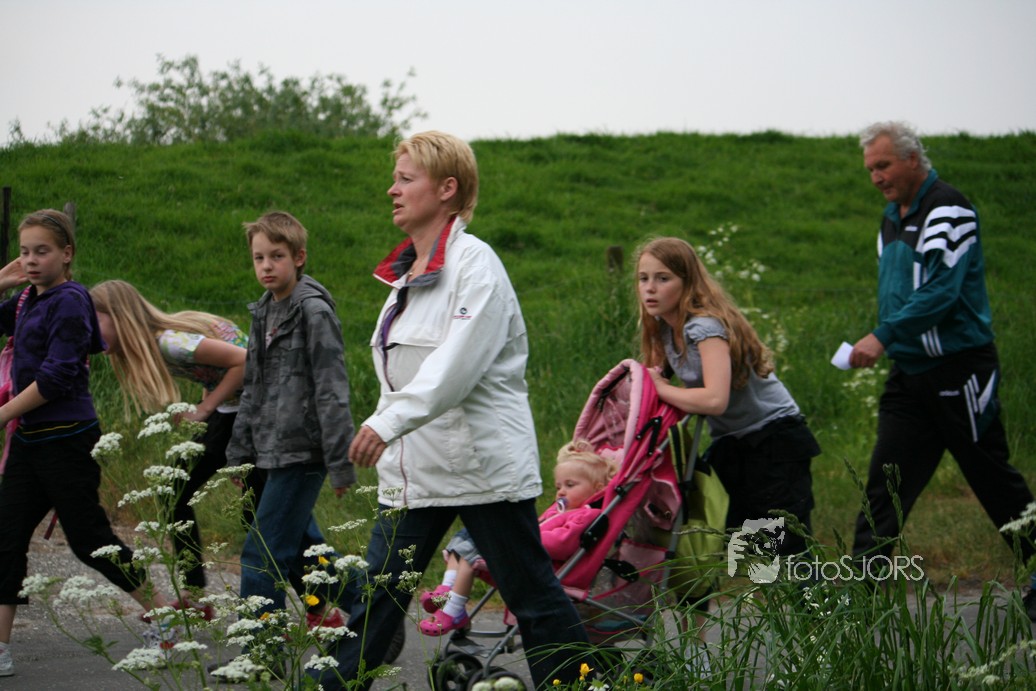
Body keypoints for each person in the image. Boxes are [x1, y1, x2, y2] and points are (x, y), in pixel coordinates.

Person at [313, 131, 592, 691]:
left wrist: (384, 424)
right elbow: (403, 376)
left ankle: (582, 686)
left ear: (447, 189)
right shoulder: (405, 277)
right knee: (378, 598)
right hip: (418, 472)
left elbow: (454, 367)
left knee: (533, 599)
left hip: (481, 470)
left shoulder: (476, 265)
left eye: (405, 179)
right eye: (395, 179)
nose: (392, 190)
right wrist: (391, 440)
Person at [848, 122, 1036, 605]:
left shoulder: (948, 209)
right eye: (870, 169)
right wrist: (891, 336)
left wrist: (883, 335)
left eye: (883, 165)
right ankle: (859, 599)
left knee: (993, 482)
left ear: (913, 159)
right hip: (909, 374)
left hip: (959, 370)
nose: (876, 177)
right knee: (885, 486)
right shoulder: (890, 218)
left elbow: (941, 293)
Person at [0, 210, 174, 678]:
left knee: (89, 540)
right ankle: (1, 648)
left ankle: (165, 617)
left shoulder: (72, 301)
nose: (31, 260)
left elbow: (56, 377)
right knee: (5, 537)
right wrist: (2, 281)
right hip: (29, 441)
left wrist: (3, 414)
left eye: (42, 251)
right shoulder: (25, 299)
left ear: (67, 254)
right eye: (24, 251)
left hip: (68, 440)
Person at [636, 236, 821, 566]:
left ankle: (820, 601)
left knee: (785, 549)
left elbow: (715, 399)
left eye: (663, 278)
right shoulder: (664, 329)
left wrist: (661, 388)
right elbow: (654, 385)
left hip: (774, 439)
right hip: (733, 443)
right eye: (643, 278)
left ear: (687, 282)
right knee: (733, 540)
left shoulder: (704, 328)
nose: (650, 288)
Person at [225, 211, 356, 640]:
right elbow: (252, 387)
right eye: (258, 257)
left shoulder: (313, 312)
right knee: (305, 551)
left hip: (303, 451)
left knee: (261, 553)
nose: (266, 266)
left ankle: (261, 651)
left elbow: (332, 389)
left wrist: (340, 463)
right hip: (268, 449)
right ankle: (370, 601)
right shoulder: (264, 310)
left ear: (298, 257)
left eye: (276, 256)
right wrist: (239, 454)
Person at [89, 279, 251, 615]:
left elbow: (245, 361)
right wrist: (208, 410)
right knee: (174, 488)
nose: (89, 331)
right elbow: (214, 372)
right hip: (232, 408)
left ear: (120, 317)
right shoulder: (160, 345)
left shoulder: (170, 343)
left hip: (255, 409)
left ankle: (327, 601)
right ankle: (195, 594)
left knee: (261, 514)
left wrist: (205, 409)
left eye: (95, 320)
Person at [418, 439, 618, 636]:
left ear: (597, 488)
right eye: (558, 487)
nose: (561, 491)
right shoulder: (558, 511)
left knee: (474, 552)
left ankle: (454, 608)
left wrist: (521, 536)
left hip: (545, 565)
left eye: (570, 485)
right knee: (473, 531)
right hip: (528, 552)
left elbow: (561, 544)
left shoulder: (586, 515)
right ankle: (447, 588)